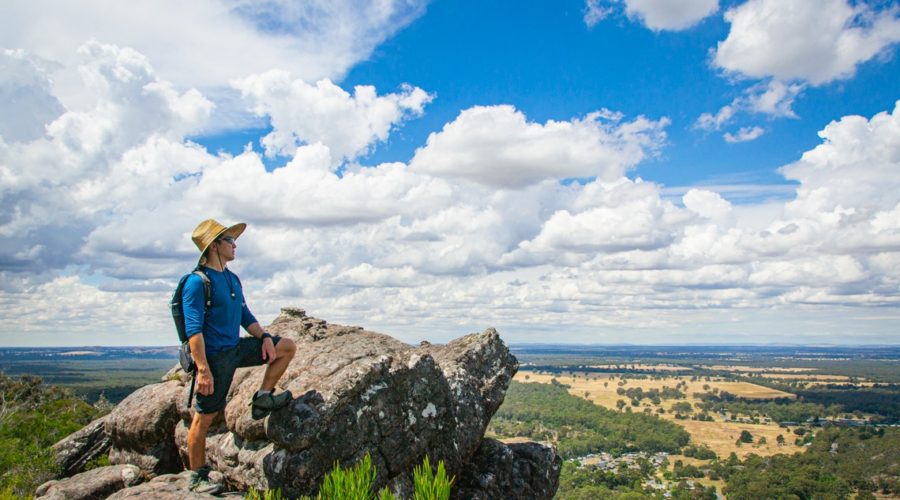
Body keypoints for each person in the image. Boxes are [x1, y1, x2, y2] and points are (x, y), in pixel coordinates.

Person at [183, 219, 297, 494]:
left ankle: (263, 397)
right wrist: (203, 370)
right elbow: (193, 331)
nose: (235, 245)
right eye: (229, 241)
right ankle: (197, 476)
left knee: (287, 347)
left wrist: (266, 338)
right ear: (214, 246)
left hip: (235, 348)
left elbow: (245, 315)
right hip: (214, 357)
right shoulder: (197, 283)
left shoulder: (232, 278)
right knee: (204, 417)